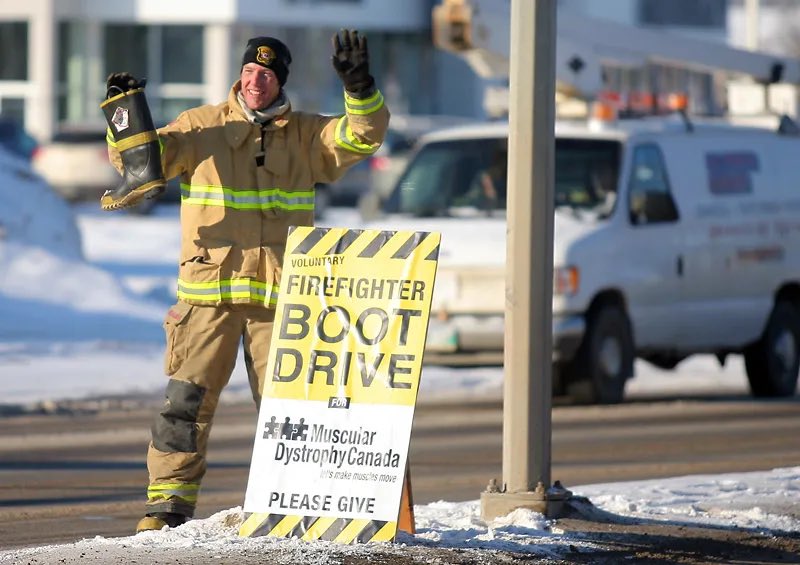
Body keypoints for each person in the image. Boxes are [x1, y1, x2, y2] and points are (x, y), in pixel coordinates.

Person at [102, 30, 389, 533]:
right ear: (240, 74)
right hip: (207, 299)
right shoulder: (201, 125)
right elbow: (143, 162)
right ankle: (168, 505)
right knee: (184, 407)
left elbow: (359, 137)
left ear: (281, 82)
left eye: (269, 74)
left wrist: (360, 89)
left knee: (290, 413)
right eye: (251, 72)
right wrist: (125, 116)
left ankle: (295, 503)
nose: (257, 81)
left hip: (281, 302)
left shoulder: (304, 135)